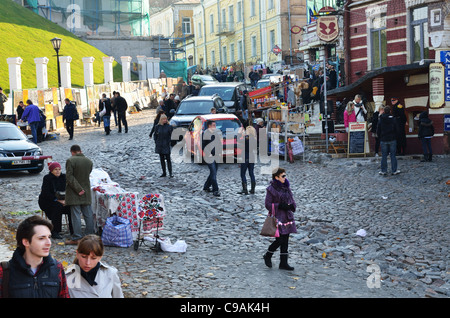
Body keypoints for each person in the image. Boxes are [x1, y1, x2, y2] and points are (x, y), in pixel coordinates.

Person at [0, 215, 70, 298]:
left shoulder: (57, 267)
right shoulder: (5, 271)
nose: (49, 243)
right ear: (26, 242)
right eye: (41, 238)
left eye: (49, 237)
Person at [263, 168, 297, 270]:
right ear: (276, 177)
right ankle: (268, 255)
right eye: (283, 176)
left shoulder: (287, 187)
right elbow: (267, 204)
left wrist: (291, 206)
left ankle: (283, 263)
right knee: (280, 239)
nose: (285, 178)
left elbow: (291, 199)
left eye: (285, 175)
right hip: (278, 217)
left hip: (287, 217)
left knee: (285, 239)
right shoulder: (271, 189)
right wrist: (280, 206)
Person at [65, 145, 94, 245]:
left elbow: (69, 177)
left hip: (74, 191)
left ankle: (77, 237)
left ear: (72, 152)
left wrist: (78, 189)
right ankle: (90, 235)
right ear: (80, 151)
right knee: (88, 214)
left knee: (76, 215)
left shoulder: (71, 160)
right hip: (86, 191)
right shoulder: (89, 161)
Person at [38, 162, 73, 239]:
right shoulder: (47, 178)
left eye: (59, 169)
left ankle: (73, 230)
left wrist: (66, 200)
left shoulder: (64, 177)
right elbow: (46, 193)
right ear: (51, 171)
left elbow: (68, 190)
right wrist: (57, 200)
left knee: (71, 207)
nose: (58, 171)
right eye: (55, 169)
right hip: (48, 201)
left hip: (63, 200)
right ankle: (55, 231)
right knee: (57, 207)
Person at [376, 106, 400, 175]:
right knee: (393, 155)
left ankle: (384, 170)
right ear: (390, 111)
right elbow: (397, 129)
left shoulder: (381, 119)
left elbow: (378, 130)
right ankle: (394, 170)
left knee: (384, 156)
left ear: (384, 111)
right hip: (392, 139)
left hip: (383, 139)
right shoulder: (393, 119)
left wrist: (380, 136)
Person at [202, 120, 221, 197]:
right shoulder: (205, 134)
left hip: (216, 155)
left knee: (214, 172)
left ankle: (206, 186)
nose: (215, 127)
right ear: (209, 126)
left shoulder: (216, 133)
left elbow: (219, 143)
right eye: (214, 125)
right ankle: (215, 190)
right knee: (213, 172)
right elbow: (203, 145)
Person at [238, 126, 257, 195]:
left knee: (243, 173)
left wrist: (239, 134)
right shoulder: (254, 138)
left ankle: (245, 189)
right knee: (251, 173)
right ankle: (252, 189)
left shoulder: (247, 138)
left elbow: (239, 140)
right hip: (252, 156)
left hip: (246, 157)